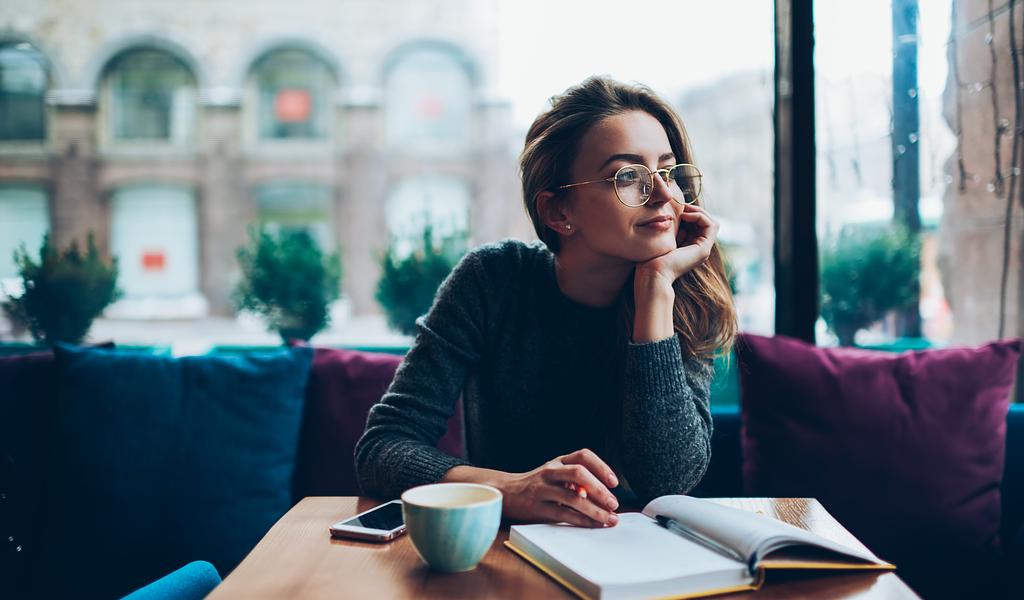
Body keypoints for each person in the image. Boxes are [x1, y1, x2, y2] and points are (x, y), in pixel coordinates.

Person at [356, 76, 737, 529]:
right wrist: (508, 489)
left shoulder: (686, 294)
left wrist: (656, 289)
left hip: (639, 556)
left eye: (668, 171)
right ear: (559, 212)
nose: (663, 195)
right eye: (628, 176)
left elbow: (668, 481)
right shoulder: (493, 281)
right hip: (505, 551)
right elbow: (383, 446)